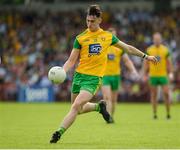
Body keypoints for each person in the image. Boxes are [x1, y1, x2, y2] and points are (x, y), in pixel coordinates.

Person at [50, 5, 157, 143]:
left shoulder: (107, 37)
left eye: (92, 21)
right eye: (87, 20)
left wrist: (146, 56)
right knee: (78, 109)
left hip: (93, 79)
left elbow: (128, 48)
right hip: (79, 76)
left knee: (76, 106)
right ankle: (98, 107)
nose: (89, 24)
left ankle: (58, 133)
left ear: (100, 20)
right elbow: (71, 60)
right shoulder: (80, 38)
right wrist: (63, 71)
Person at [101, 27, 139, 122]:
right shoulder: (102, 47)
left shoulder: (119, 48)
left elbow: (127, 61)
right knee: (107, 97)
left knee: (114, 99)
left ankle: (111, 116)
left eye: (114, 35)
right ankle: (108, 117)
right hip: (105, 75)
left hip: (116, 76)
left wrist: (133, 70)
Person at [143, 32, 174, 119]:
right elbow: (146, 64)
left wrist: (171, 73)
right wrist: (145, 74)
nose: (157, 41)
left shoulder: (165, 50)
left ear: (161, 40)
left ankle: (168, 113)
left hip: (163, 75)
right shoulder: (149, 50)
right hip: (153, 75)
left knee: (166, 93)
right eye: (155, 39)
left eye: (158, 39)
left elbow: (169, 63)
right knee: (154, 95)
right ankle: (155, 113)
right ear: (153, 40)